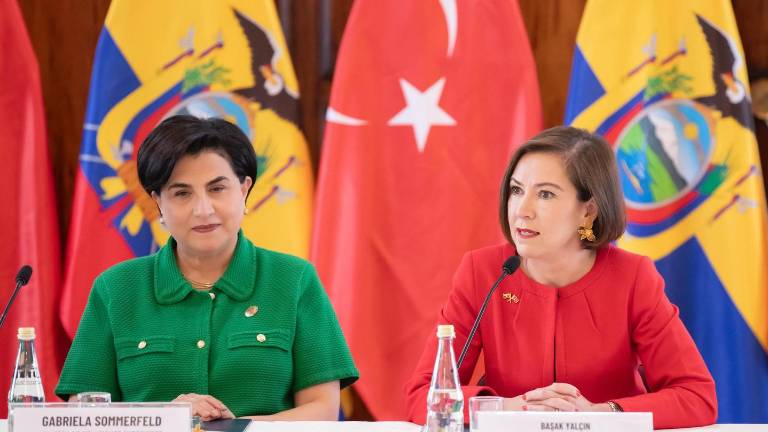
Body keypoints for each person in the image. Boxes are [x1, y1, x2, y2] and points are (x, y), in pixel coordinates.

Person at [405, 126, 717, 429]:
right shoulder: (482, 272)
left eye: (545, 194)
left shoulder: (633, 278)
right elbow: (423, 396)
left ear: (588, 211)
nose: (522, 211)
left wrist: (600, 414)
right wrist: (509, 408)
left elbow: (697, 396)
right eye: (516, 190)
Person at [56, 115, 359, 421]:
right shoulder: (116, 288)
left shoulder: (294, 280)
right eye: (182, 193)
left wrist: (236, 428)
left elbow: (322, 409)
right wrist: (165, 419)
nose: (203, 209)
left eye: (217, 189)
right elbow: (82, 413)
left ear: (243, 190)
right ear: (157, 202)